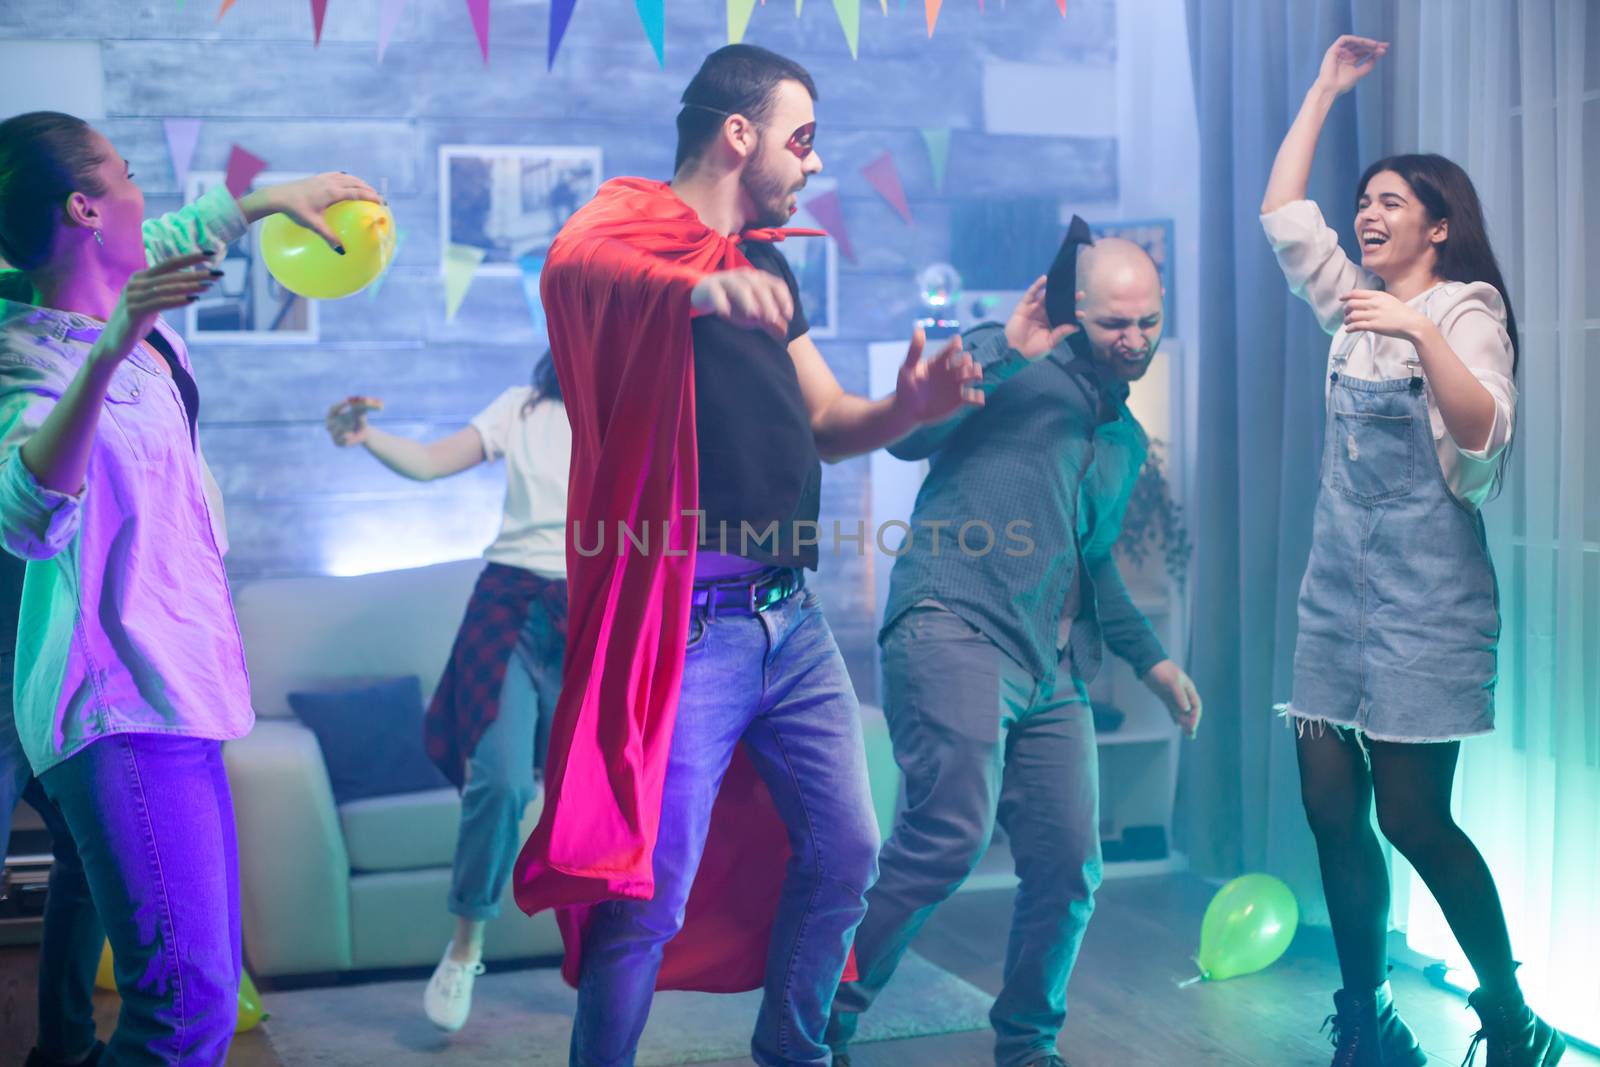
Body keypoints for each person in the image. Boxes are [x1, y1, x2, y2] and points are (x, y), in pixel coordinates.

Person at [510, 44, 985, 1067]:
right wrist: (687, 294)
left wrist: (911, 405)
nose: (812, 166)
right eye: (800, 139)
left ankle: (794, 1049)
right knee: (649, 887)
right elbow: (575, 270)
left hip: (791, 621)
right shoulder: (622, 225)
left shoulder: (763, 265)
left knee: (849, 847)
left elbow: (825, 418)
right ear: (739, 134)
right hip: (686, 623)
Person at [0, 108, 378, 1064]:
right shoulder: (27, 354)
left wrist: (263, 201)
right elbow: (27, 511)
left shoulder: (126, 304)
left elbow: (168, 236)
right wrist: (109, 349)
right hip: (115, 705)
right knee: (183, 1013)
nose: (144, 195)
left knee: (195, 1001)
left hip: (180, 695)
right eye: (127, 175)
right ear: (85, 207)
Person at [826, 231, 1203, 1067]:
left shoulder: (1125, 441)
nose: (1134, 339)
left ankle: (1029, 1045)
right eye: (1114, 323)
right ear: (1076, 312)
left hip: (1051, 663)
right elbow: (908, 437)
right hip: (954, 620)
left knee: (1071, 867)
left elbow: (1092, 560)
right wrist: (1002, 345)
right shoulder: (1013, 369)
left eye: (1148, 321)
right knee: (947, 838)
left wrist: (1153, 661)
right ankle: (818, 1018)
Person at [1261, 36, 1564, 1067]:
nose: (1367, 214)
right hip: (1333, 600)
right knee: (1325, 805)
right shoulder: (1351, 310)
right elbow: (1283, 217)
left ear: (1439, 226)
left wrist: (1419, 329)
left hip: (1427, 607)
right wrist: (1323, 90)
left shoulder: (1463, 311)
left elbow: (1483, 435)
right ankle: (1365, 1017)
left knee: (1411, 817)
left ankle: (1511, 1013)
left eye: (1391, 202)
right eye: (1365, 201)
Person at [324, 352, 571, 1033]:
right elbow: (433, 462)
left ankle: (601, 950)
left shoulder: (639, 405)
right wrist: (366, 437)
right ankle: (466, 946)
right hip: (510, 605)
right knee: (501, 782)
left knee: (597, 792)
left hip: (596, 608)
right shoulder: (521, 405)